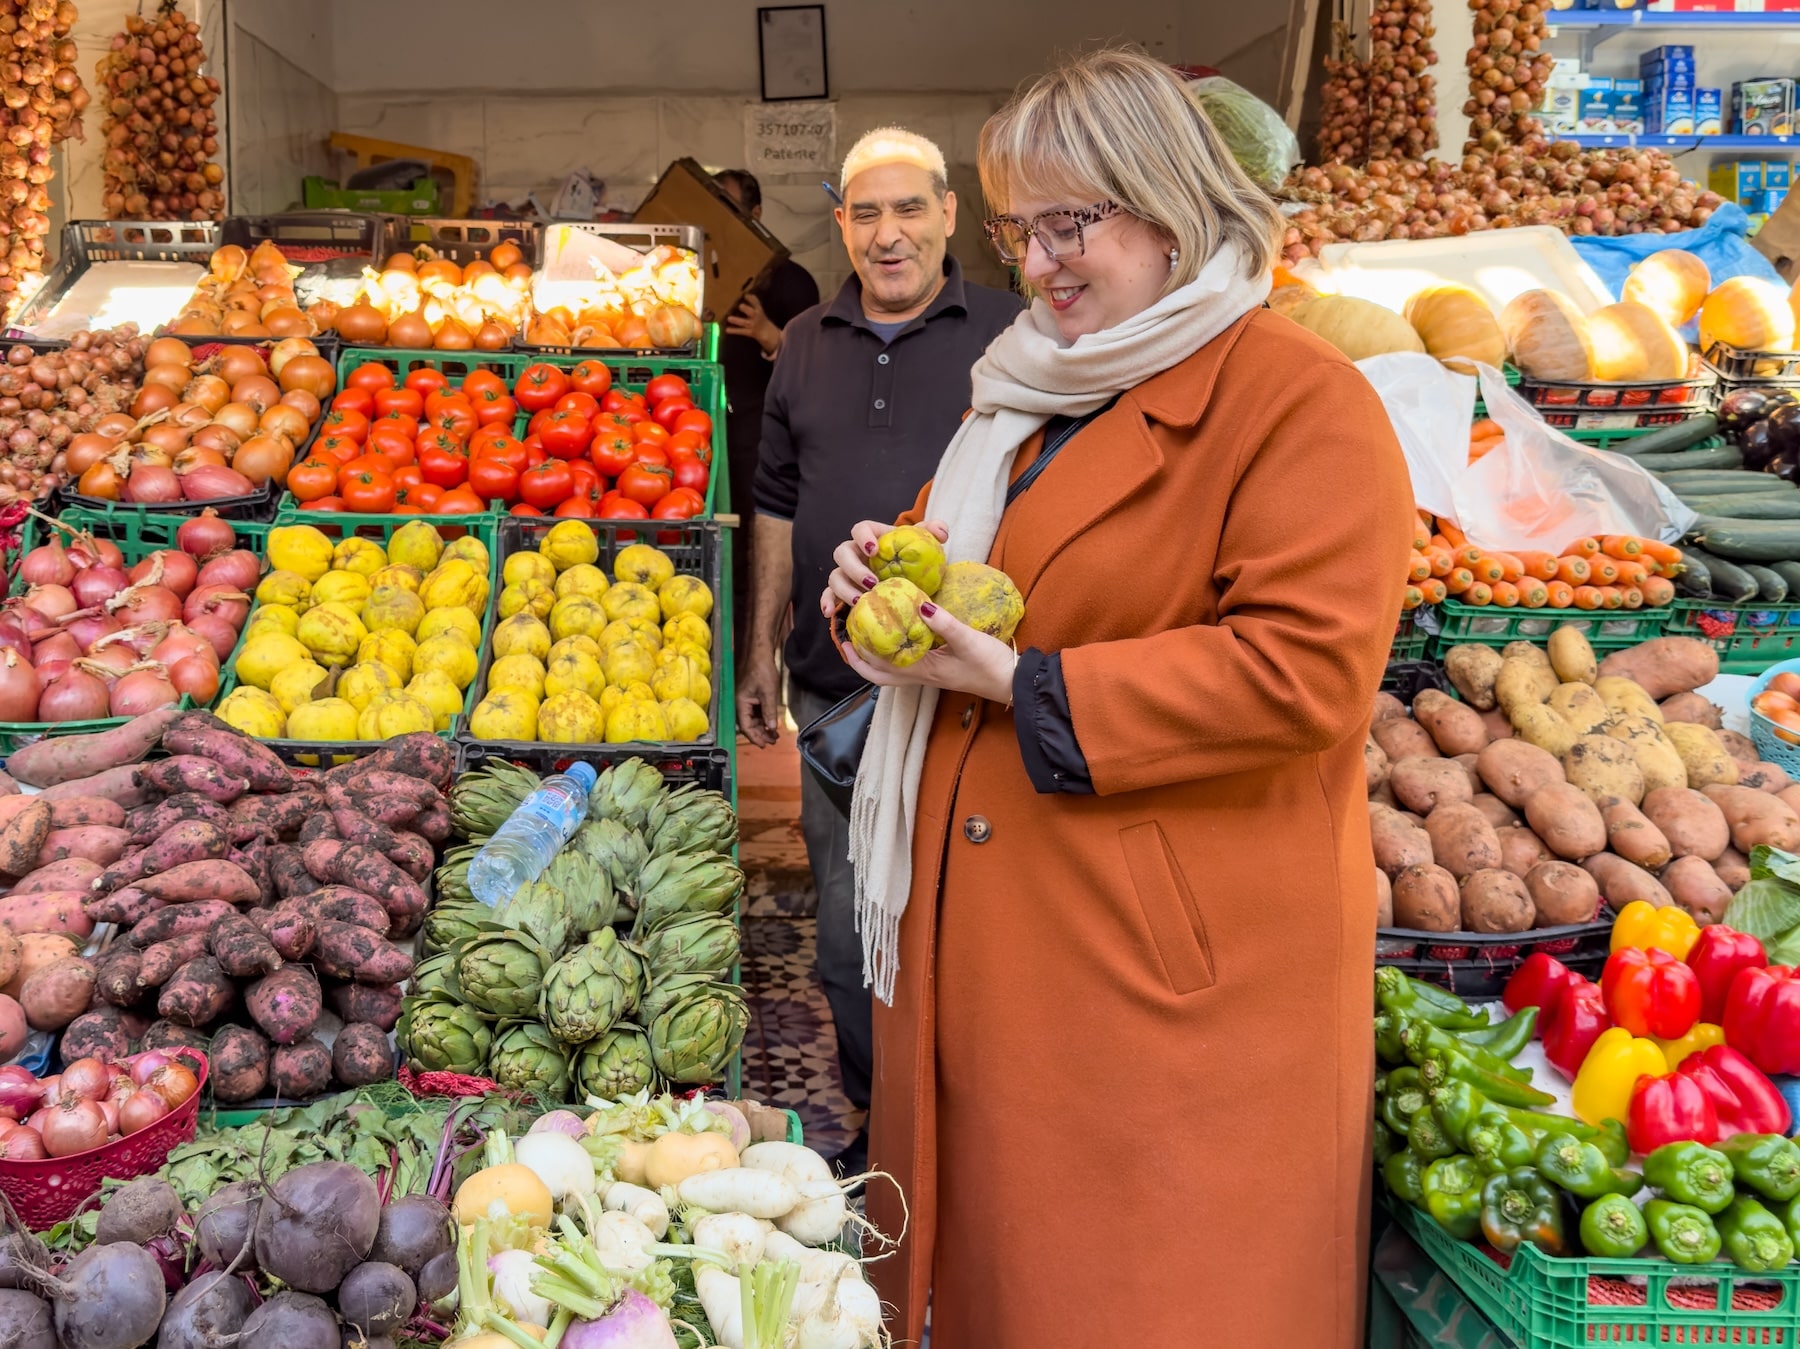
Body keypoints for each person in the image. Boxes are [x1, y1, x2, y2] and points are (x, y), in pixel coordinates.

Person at [820, 50, 1412, 1347]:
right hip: (1013, 952)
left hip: (1159, 983)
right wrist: (872, 584)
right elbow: (955, 565)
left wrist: (1024, 682)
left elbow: (1306, 671)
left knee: (1143, 1293)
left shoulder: (1301, 401)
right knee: (1008, 1278)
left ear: (1171, 205)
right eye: (1016, 230)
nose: (1037, 264)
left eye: (1069, 224)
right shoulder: (1031, 394)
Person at [740, 128, 1021, 1173]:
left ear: (949, 214)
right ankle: (881, 1120)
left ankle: (978, 1137)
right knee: (852, 928)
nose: (888, 233)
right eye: (865, 213)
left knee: (974, 929)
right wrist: (762, 650)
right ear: (842, 226)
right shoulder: (804, 340)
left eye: (909, 209)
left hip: (976, 694)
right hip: (837, 696)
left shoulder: (1012, 330)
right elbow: (776, 502)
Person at [711, 169, 819, 657]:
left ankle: (749, 658)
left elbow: (811, 370)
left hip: (757, 433)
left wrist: (768, 334)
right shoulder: (693, 273)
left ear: (755, 215)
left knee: (752, 547)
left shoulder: (792, 282)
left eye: (731, 209)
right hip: (697, 429)